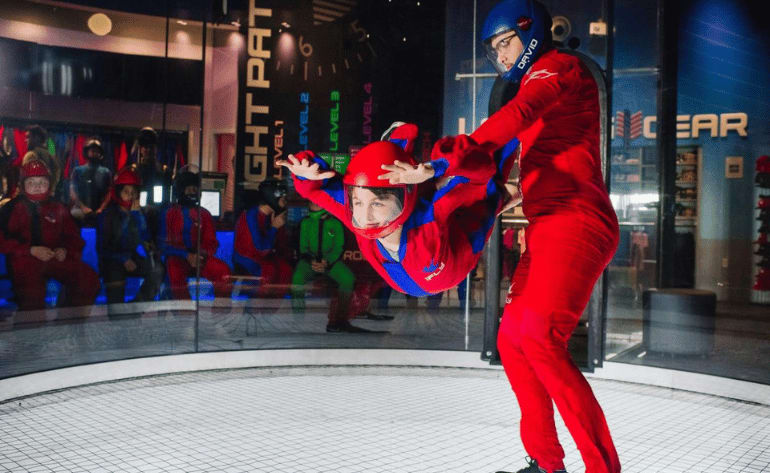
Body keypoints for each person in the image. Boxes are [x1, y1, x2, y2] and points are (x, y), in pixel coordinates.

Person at [471, 1, 621, 472]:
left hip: (577, 217)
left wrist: (453, 155)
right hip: (548, 223)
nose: (499, 55)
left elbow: (522, 111)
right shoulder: (538, 86)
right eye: (493, 49)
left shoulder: (557, 67)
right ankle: (546, 464)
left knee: (539, 336)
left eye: (504, 42)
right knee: (513, 338)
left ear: (529, 31)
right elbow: (527, 152)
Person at [277, 122, 520, 300]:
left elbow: (480, 176)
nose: (365, 217)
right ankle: (497, 196)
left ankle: (493, 195)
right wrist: (307, 169)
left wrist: (439, 168)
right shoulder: (358, 214)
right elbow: (316, 189)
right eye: (360, 203)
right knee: (485, 195)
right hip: (436, 265)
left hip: (452, 257)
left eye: (377, 205)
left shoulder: (427, 216)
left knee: (482, 193)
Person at [0, 160, 99, 312]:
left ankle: (70, 322)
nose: (37, 186)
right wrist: (30, 250)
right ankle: (33, 330)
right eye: (31, 182)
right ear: (23, 185)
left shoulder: (58, 207)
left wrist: (65, 250)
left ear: (49, 184)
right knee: (32, 297)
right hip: (24, 260)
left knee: (87, 279)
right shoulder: (11, 208)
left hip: (53, 257)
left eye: (42, 182)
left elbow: (73, 237)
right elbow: (3, 241)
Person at [291, 201, 369, 333]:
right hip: (309, 262)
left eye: (318, 202)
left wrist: (327, 262)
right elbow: (302, 247)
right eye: (312, 202)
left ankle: (341, 317)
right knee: (297, 278)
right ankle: (298, 316)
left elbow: (339, 247)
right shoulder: (305, 223)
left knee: (347, 278)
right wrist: (312, 261)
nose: (315, 204)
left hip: (329, 262)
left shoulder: (335, 223)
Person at [158, 168, 231, 300]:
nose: (194, 192)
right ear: (181, 191)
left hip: (200, 259)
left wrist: (200, 254)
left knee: (223, 271)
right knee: (175, 276)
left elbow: (211, 242)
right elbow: (163, 245)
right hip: (177, 258)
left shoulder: (204, 214)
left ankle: (221, 311)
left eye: (196, 189)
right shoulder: (169, 212)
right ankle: (184, 313)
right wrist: (186, 255)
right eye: (189, 189)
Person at [97, 167, 163, 309]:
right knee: (114, 273)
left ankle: (136, 307)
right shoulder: (108, 214)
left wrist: (137, 215)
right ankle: (116, 312)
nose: (130, 196)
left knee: (157, 270)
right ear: (118, 193)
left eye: (134, 192)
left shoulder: (141, 213)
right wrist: (123, 258)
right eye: (126, 192)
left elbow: (145, 238)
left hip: (133, 258)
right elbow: (103, 247)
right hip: (113, 260)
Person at [233, 179, 293, 299]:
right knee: (269, 271)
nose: (284, 199)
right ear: (271, 195)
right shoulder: (251, 215)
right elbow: (260, 248)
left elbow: (279, 246)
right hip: (247, 259)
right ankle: (257, 310)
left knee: (286, 269)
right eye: (281, 195)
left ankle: (271, 311)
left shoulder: (273, 214)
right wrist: (274, 228)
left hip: (264, 257)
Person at [70, 138, 112, 224]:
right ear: (87, 152)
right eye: (92, 151)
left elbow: (109, 192)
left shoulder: (106, 172)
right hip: (80, 209)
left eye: (97, 151)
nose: (95, 153)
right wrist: (83, 207)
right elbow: (73, 192)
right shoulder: (78, 170)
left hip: (100, 210)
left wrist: (101, 208)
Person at [22, 125, 61, 195]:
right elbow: (57, 175)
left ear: (37, 138)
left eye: (28, 137)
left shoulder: (31, 155)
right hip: (48, 196)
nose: (25, 140)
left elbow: (25, 179)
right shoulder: (51, 155)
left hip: (32, 197)